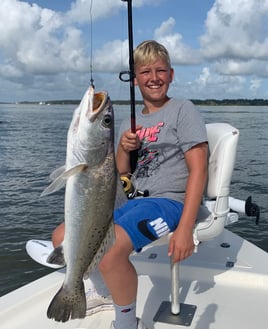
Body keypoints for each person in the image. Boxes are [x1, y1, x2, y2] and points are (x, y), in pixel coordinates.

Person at [52, 40, 208, 329]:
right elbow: (119, 174)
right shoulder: (128, 123)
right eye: (145, 71)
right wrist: (123, 149)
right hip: (134, 200)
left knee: (110, 252)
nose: (154, 77)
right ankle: (104, 291)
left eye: (161, 70)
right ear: (135, 78)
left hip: (170, 202)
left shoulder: (183, 110)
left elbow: (199, 170)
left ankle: (127, 324)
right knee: (62, 236)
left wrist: (185, 227)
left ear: (171, 75)